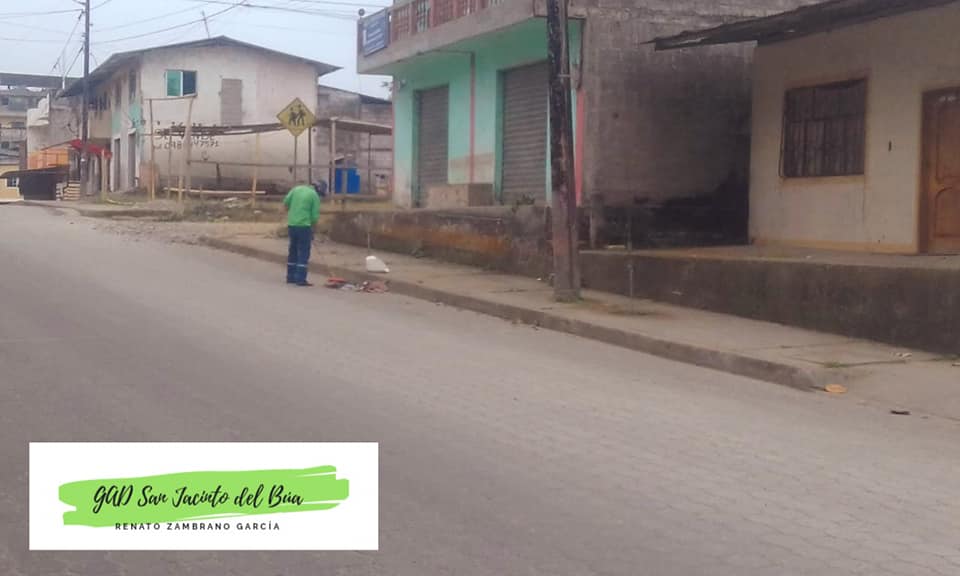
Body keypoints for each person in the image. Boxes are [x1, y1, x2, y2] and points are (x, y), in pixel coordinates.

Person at [283, 181, 323, 286]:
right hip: (304, 226)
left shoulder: (296, 189)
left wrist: (293, 214)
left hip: (292, 225)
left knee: (293, 250)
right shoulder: (314, 195)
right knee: (303, 252)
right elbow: (314, 216)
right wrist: (313, 228)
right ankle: (300, 279)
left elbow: (286, 202)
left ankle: (290, 277)